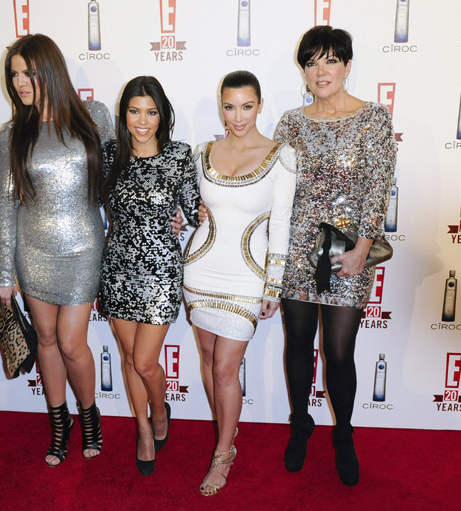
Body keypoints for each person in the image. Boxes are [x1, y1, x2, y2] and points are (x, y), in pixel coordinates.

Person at [274, 26, 396, 486]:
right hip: (299, 247)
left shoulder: (373, 119)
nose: (320, 71)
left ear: (347, 65)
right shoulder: (290, 121)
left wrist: (363, 247)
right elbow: (275, 185)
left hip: (346, 250)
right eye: (311, 62)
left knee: (339, 353)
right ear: (303, 71)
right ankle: (301, 424)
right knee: (299, 347)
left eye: (329, 60)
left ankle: (343, 433)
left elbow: (378, 187)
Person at [0, 34, 114, 466]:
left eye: (28, 72)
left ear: (51, 70)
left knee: (70, 342)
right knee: (46, 339)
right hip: (32, 250)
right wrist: (4, 274)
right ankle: (59, 424)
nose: (20, 82)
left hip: (83, 248)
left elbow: (121, 180)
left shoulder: (94, 117)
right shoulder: (12, 133)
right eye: (14, 75)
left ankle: (90, 415)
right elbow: (7, 206)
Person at [183, 70, 297, 496]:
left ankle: (223, 453)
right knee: (210, 361)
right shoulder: (204, 152)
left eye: (246, 106)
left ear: (260, 105)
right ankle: (227, 434)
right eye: (229, 106)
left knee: (227, 368)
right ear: (221, 106)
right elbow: (198, 208)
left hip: (246, 277)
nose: (237, 116)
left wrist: (274, 285)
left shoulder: (281, 155)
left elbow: (281, 224)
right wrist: (187, 216)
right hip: (199, 270)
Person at [99, 76, 201, 476]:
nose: (143, 121)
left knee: (144, 361)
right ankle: (144, 429)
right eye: (134, 111)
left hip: (160, 270)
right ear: (124, 115)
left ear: (163, 115)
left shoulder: (179, 155)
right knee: (128, 357)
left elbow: (195, 210)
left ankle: (160, 410)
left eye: (151, 112)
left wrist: (195, 214)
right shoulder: (109, 155)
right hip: (118, 267)